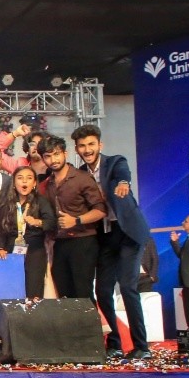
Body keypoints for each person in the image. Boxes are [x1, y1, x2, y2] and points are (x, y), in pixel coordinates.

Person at [72, 124, 155, 357]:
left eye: (91, 144)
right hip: (105, 235)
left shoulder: (116, 162)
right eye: (82, 146)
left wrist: (123, 184)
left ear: (100, 145)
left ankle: (141, 346)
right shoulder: (80, 174)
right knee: (102, 290)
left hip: (128, 232)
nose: (87, 149)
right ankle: (114, 343)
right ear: (76, 149)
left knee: (127, 287)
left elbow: (123, 176)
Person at [41, 134, 106, 301]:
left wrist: (76, 220)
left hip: (83, 241)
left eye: (56, 154)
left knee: (83, 293)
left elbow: (100, 210)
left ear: (65, 153)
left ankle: (91, 320)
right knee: (64, 294)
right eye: (48, 156)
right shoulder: (47, 184)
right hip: (60, 243)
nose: (53, 160)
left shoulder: (82, 178)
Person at [0, 165, 57, 299]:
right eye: (20, 178)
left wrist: (37, 222)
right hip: (10, 250)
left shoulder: (41, 201)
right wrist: (0, 247)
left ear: (34, 183)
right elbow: (1, 229)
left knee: (33, 290)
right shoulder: (6, 203)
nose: (24, 181)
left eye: (29, 178)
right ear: (14, 183)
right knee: (11, 290)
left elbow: (52, 223)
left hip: (35, 250)